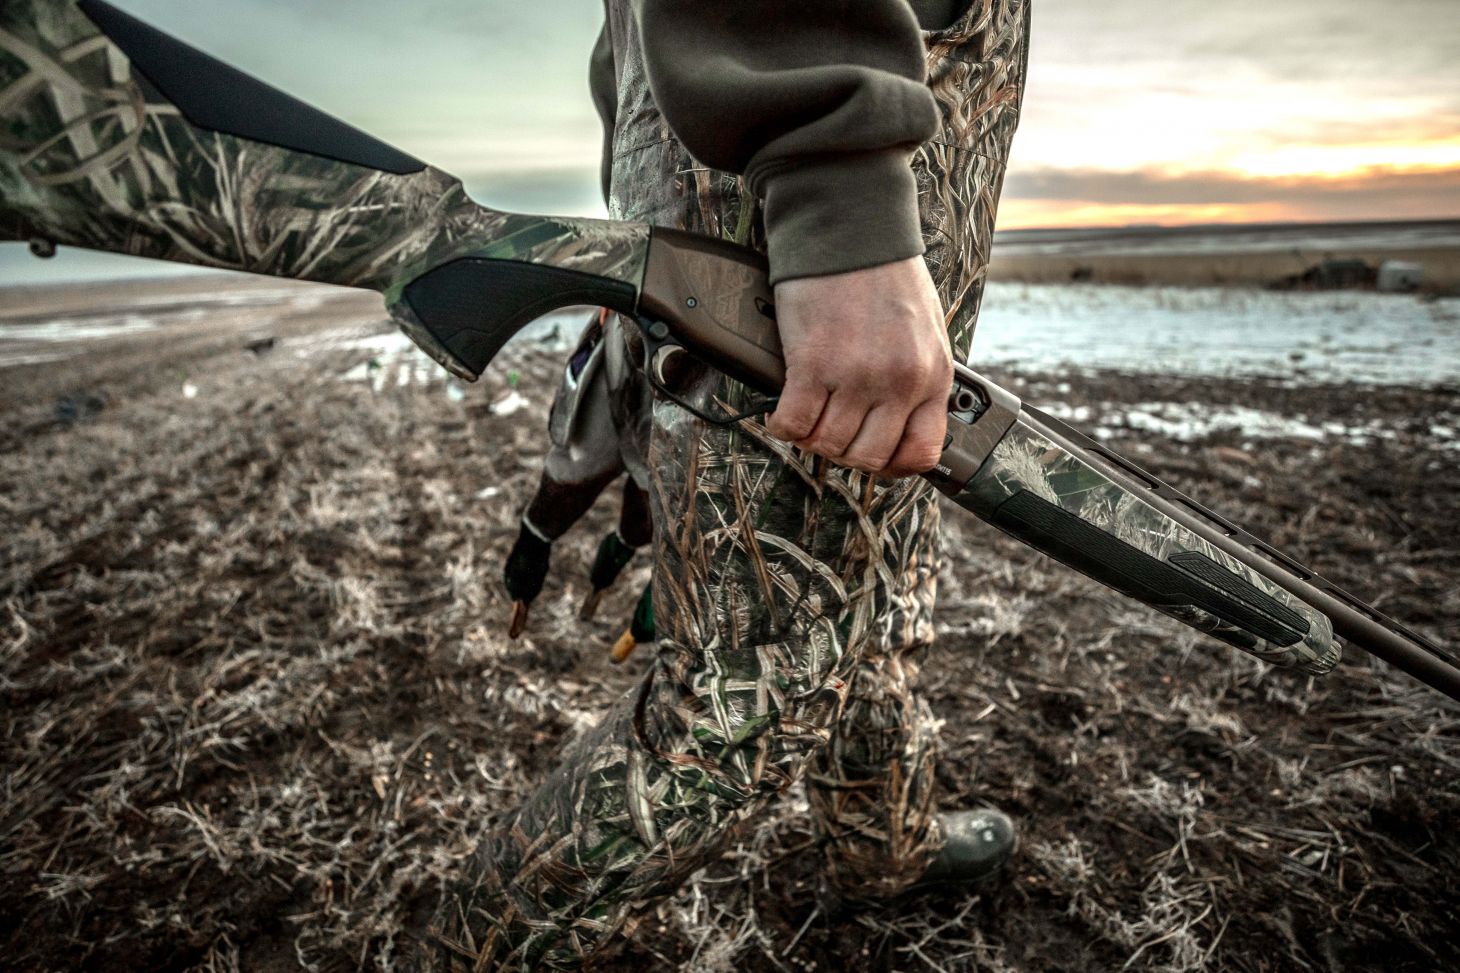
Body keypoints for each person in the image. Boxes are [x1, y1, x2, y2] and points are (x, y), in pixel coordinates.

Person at [429, 1, 1031, 967]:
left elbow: (628, 58)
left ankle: (881, 845)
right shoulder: (819, 147)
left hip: (780, 175)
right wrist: (837, 191)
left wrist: (654, 223)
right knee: (741, 695)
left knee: (866, 584)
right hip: (802, 197)